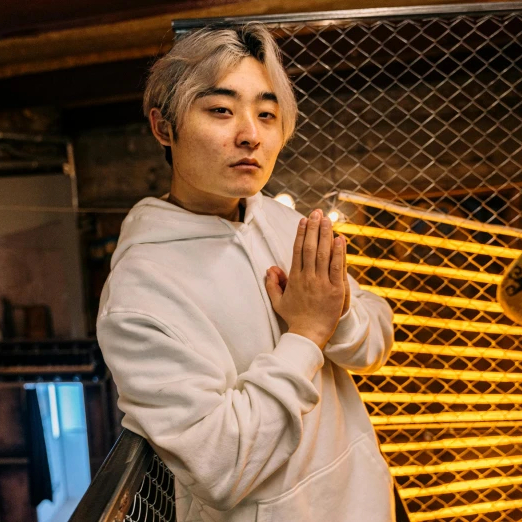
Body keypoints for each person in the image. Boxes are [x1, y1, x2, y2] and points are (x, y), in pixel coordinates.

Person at [97, 23, 409, 522]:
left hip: (371, 503)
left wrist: (338, 313)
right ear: (163, 127)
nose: (251, 134)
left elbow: (376, 344)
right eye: (221, 110)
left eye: (267, 114)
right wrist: (307, 334)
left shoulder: (284, 222)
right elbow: (221, 467)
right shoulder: (138, 294)